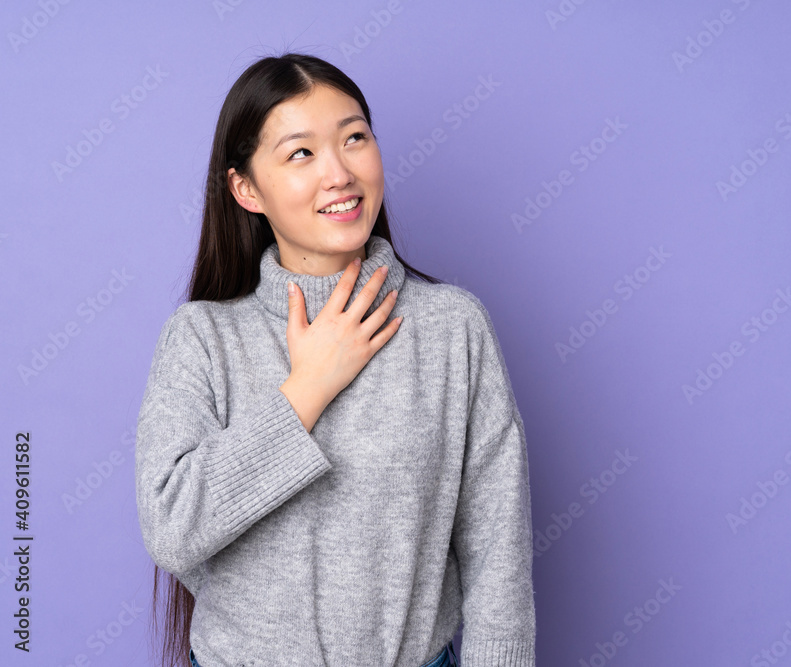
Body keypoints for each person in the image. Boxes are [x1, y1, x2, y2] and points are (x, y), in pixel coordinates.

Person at [134, 52, 536, 667]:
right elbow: (172, 528)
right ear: (246, 189)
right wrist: (307, 389)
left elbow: (497, 554)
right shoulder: (202, 338)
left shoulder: (452, 328)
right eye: (301, 153)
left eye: (354, 138)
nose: (339, 173)